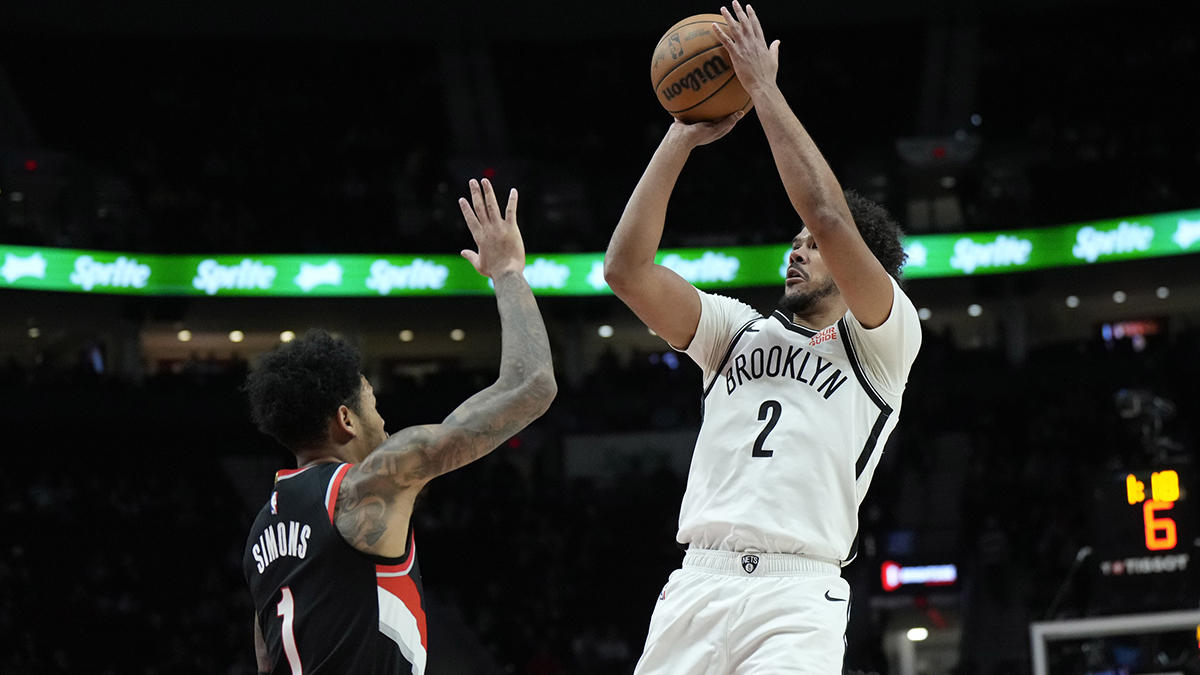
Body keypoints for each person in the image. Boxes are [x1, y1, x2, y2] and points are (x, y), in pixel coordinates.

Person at [602, 4, 921, 673]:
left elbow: (829, 214)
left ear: (861, 263)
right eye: (795, 244)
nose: (797, 253)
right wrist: (681, 137)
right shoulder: (730, 331)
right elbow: (625, 270)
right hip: (699, 579)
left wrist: (763, 88)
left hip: (797, 592)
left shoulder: (885, 343)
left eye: (812, 247)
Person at [242, 178, 556, 674]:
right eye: (371, 404)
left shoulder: (262, 532)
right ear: (345, 420)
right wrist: (508, 272)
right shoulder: (364, 485)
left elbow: (267, 661)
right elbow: (533, 386)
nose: (384, 420)